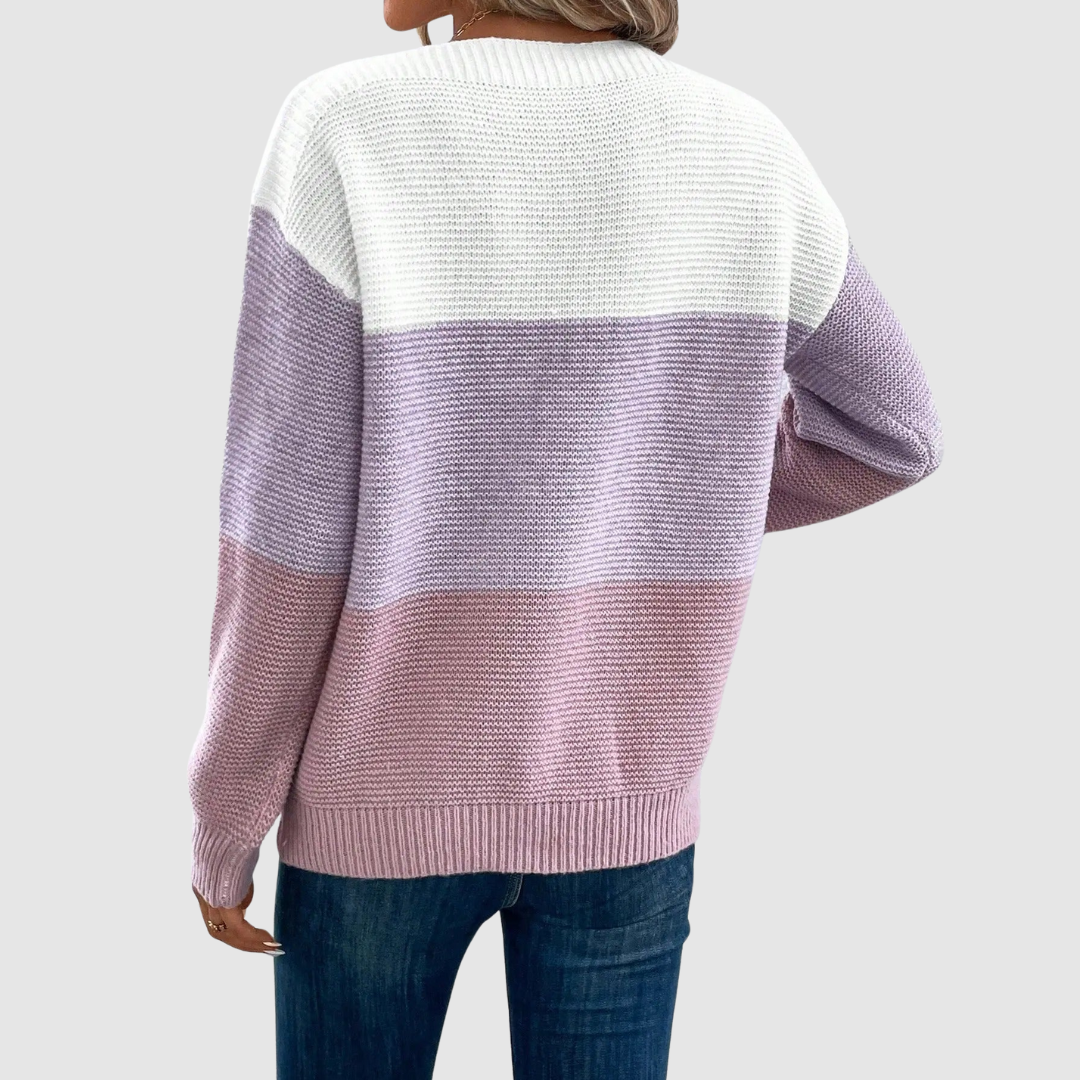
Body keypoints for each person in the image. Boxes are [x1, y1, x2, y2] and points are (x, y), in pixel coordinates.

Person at [188, 2, 944, 1076]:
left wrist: (227, 815)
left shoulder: (346, 124)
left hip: (375, 810)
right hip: (627, 809)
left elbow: (288, 524)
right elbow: (895, 432)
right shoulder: (744, 143)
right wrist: (650, 498)